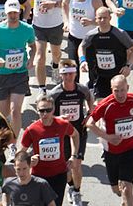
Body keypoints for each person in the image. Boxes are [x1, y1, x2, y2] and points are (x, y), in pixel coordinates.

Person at [87, 74, 133, 206]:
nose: (120, 94)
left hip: (129, 149)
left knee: (126, 189)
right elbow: (90, 123)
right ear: (111, 89)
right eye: (116, 91)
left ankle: (126, 198)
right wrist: (108, 137)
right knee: (117, 189)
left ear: (127, 87)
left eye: (122, 90)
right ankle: (124, 199)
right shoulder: (106, 105)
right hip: (111, 152)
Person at [0, 0, 35, 134]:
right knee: (4, 114)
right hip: (2, 74)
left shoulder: (27, 29)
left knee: (15, 110)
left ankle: (13, 143)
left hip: (20, 73)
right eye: (10, 13)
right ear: (5, 13)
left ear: (20, 12)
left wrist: (31, 58)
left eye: (15, 13)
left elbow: (33, 46)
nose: (13, 16)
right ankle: (3, 138)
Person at [47, 61, 94, 206]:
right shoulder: (54, 93)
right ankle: (71, 186)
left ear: (75, 74)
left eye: (71, 74)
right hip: (61, 135)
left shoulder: (82, 89)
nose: (68, 77)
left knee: (77, 164)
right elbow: (45, 113)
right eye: (65, 74)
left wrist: (89, 114)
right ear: (60, 75)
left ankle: (77, 191)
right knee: (67, 167)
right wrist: (57, 119)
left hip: (78, 133)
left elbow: (90, 99)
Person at [20, 97, 80, 206]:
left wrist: (74, 155)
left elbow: (75, 135)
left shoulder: (63, 124)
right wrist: (29, 160)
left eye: (48, 110)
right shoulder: (31, 130)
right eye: (42, 110)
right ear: (37, 111)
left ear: (53, 110)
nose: (45, 114)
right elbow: (20, 154)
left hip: (59, 175)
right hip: (38, 176)